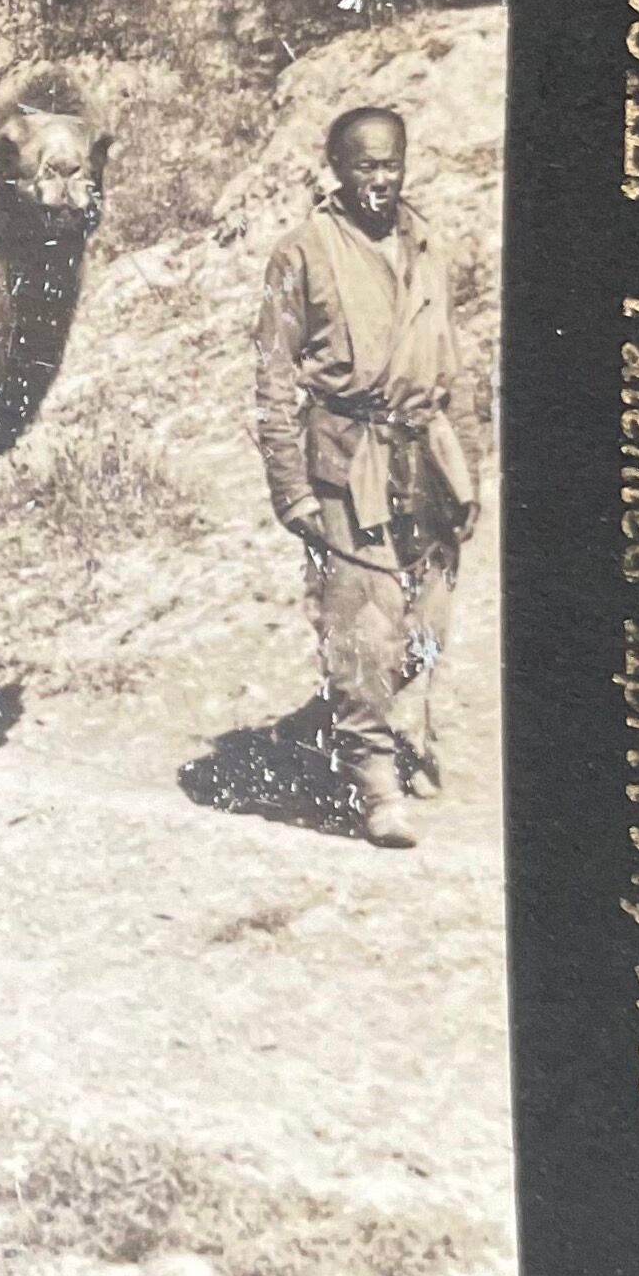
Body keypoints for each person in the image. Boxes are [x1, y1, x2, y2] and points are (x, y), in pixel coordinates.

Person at [252, 106, 481, 849]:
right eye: (364, 167)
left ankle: (343, 720)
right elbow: (271, 381)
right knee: (365, 625)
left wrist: (468, 469)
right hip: (347, 460)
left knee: (428, 630)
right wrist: (290, 488)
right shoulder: (303, 252)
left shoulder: (426, 244)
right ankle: (375, 786)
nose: (379, 181)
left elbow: (455, 366)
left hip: (428, 457)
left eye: (390, 165)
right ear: (337, 170)